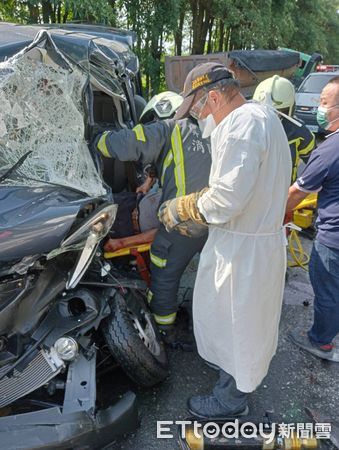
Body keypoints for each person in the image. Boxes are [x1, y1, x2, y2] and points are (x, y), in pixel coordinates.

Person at [159, 62, 291, 418]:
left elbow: (225, 200)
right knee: (243, 325)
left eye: (198, 109)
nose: (200, 119)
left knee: (239, 325)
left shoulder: (240, 125)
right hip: (253, 242)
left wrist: (183, 206)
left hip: (244, 253)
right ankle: (230, 380)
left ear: (214, 97)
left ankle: (230, 401)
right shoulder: (263, 116)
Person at [96, 91, 211, 344]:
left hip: (149, 222)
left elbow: (129, 143)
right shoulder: (207, 134)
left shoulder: (170, 129)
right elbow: (170, 162)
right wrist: (149, 182)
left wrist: (96, 138)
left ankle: (164, 330)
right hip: (142, 206)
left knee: (163, 272)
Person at [286, 75, 339, 362]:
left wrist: (270, 214)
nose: (319, 108)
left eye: (324, 102)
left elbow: (295, 193)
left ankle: (321, 342)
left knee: (328, 291)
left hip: (333, 237)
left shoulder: (329, 150)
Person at [253, 75, 315, 183]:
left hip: (286, 195)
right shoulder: (245, 130)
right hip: (253, 196)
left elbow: (317, 164)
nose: (270, 116)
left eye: (277, 112)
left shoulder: (298, 131)